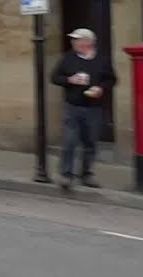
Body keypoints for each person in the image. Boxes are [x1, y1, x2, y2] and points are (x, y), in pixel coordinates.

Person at [49, 28, 117, 189]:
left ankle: (87, 174)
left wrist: (100, 89)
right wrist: (69, 80)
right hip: (72, 106)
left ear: (89, 42)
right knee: (69, 141)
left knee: (90, 142)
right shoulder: (67, 58)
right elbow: (54, 77)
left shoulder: (101, 60)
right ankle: (65, 175)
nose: (74, 42)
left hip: (93, 108)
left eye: (78, 40)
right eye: (73, 40)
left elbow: (111, 79)